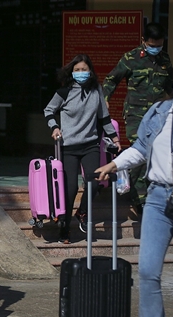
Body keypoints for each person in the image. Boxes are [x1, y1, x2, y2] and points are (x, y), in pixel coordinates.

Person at [96, 57, 173, 317]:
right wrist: (113, 164)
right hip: (157, 199)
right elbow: (141, 148)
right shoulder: (159, 112)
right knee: (148, 271)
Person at [44, 54, 119, 244]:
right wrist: (54, 127)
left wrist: (115, 138)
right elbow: (48, 110)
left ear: (90, 71)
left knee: (95, 182)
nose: (80, 73)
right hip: (69, 147)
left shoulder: (96, 91)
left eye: (84, 69)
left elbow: (104, 117)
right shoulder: (64, 92)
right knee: (70, 190)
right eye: (77, 70)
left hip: (91, 145)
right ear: (71, 72)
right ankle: (65, 229)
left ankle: (83, 211)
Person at [102, 23, 173, 214]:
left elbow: (171, 86)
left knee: (154, 154)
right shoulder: (130, 58)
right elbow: (111, 79)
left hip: (158, 115)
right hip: (136, 114)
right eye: (152, 44)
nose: (156, 48)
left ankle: (142, 194)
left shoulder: (164, 60)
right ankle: (140, 200)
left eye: (159, 44)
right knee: (140, 151)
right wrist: (105, 99)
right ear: (143, 41)